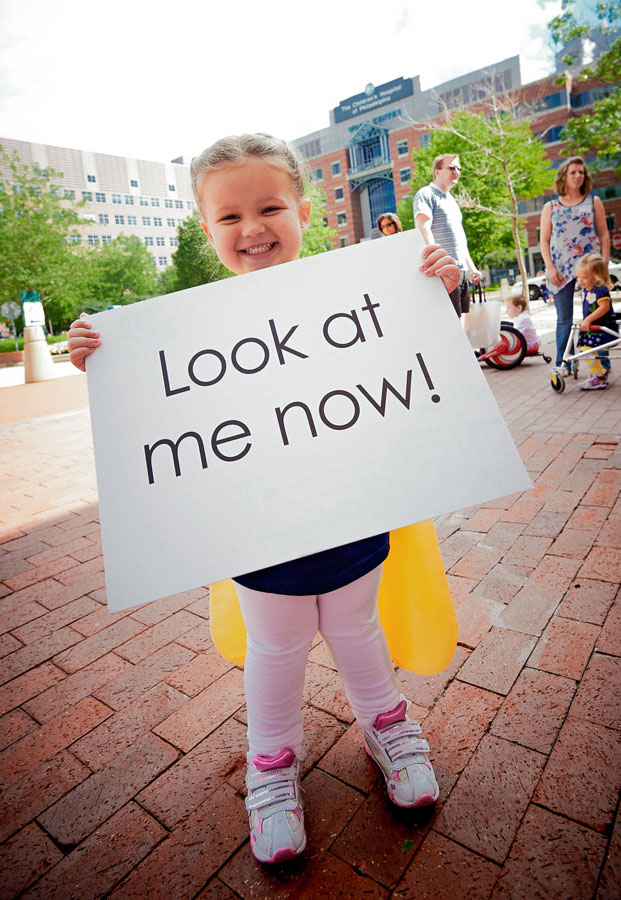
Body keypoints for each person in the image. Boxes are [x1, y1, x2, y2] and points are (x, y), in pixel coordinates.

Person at [67, 133, 460, 866]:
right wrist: (103, 356)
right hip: (258, 534)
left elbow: (410, 363)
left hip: (353, 515)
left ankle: (387, 726)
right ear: (205, 228)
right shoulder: (184, 329)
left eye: (270, 206)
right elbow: (158, 407)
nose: (251, 229)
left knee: (355, 627)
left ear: (303, 211)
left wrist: (433, 292)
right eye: (228, 217)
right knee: (275, 649)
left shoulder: (359, 294)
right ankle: (271, 766)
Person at [539, 156, 610, 374]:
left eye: (581, 172)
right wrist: (549, 267)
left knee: (597, 314)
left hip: (591, 269)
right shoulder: (551, 206)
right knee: (564, 320)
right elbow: (544, 240)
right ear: (564, 176)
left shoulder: (593, 201)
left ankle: (600, 365)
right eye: (573, 172)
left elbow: (604, 234)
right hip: (560, 270)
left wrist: (603, 266)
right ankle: (563, 363)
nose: (578, 176)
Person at [413, 153, 482, 318]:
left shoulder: (451, 201)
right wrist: (437, 261)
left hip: (461, 272)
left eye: (459, 168)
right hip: (444, 273)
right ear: (437, 172)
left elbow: (460, 240)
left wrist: (471, 269)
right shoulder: (426, 194)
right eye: (451, 168)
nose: (456, 171)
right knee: (450, 327)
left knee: (463, 326)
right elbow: (423, 227)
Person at [575, 252, 616, 391]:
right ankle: (598, 374)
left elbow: (604, 307)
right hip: (594, 328)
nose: (581, 280)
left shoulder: (600, 290)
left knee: (589, 351)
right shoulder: (587, 290)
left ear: (597, 276)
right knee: (589, 351)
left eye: (585, 277)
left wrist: (588, 319)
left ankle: (599, 377)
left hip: (603, 329)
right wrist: (585, 320)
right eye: (579, 277)